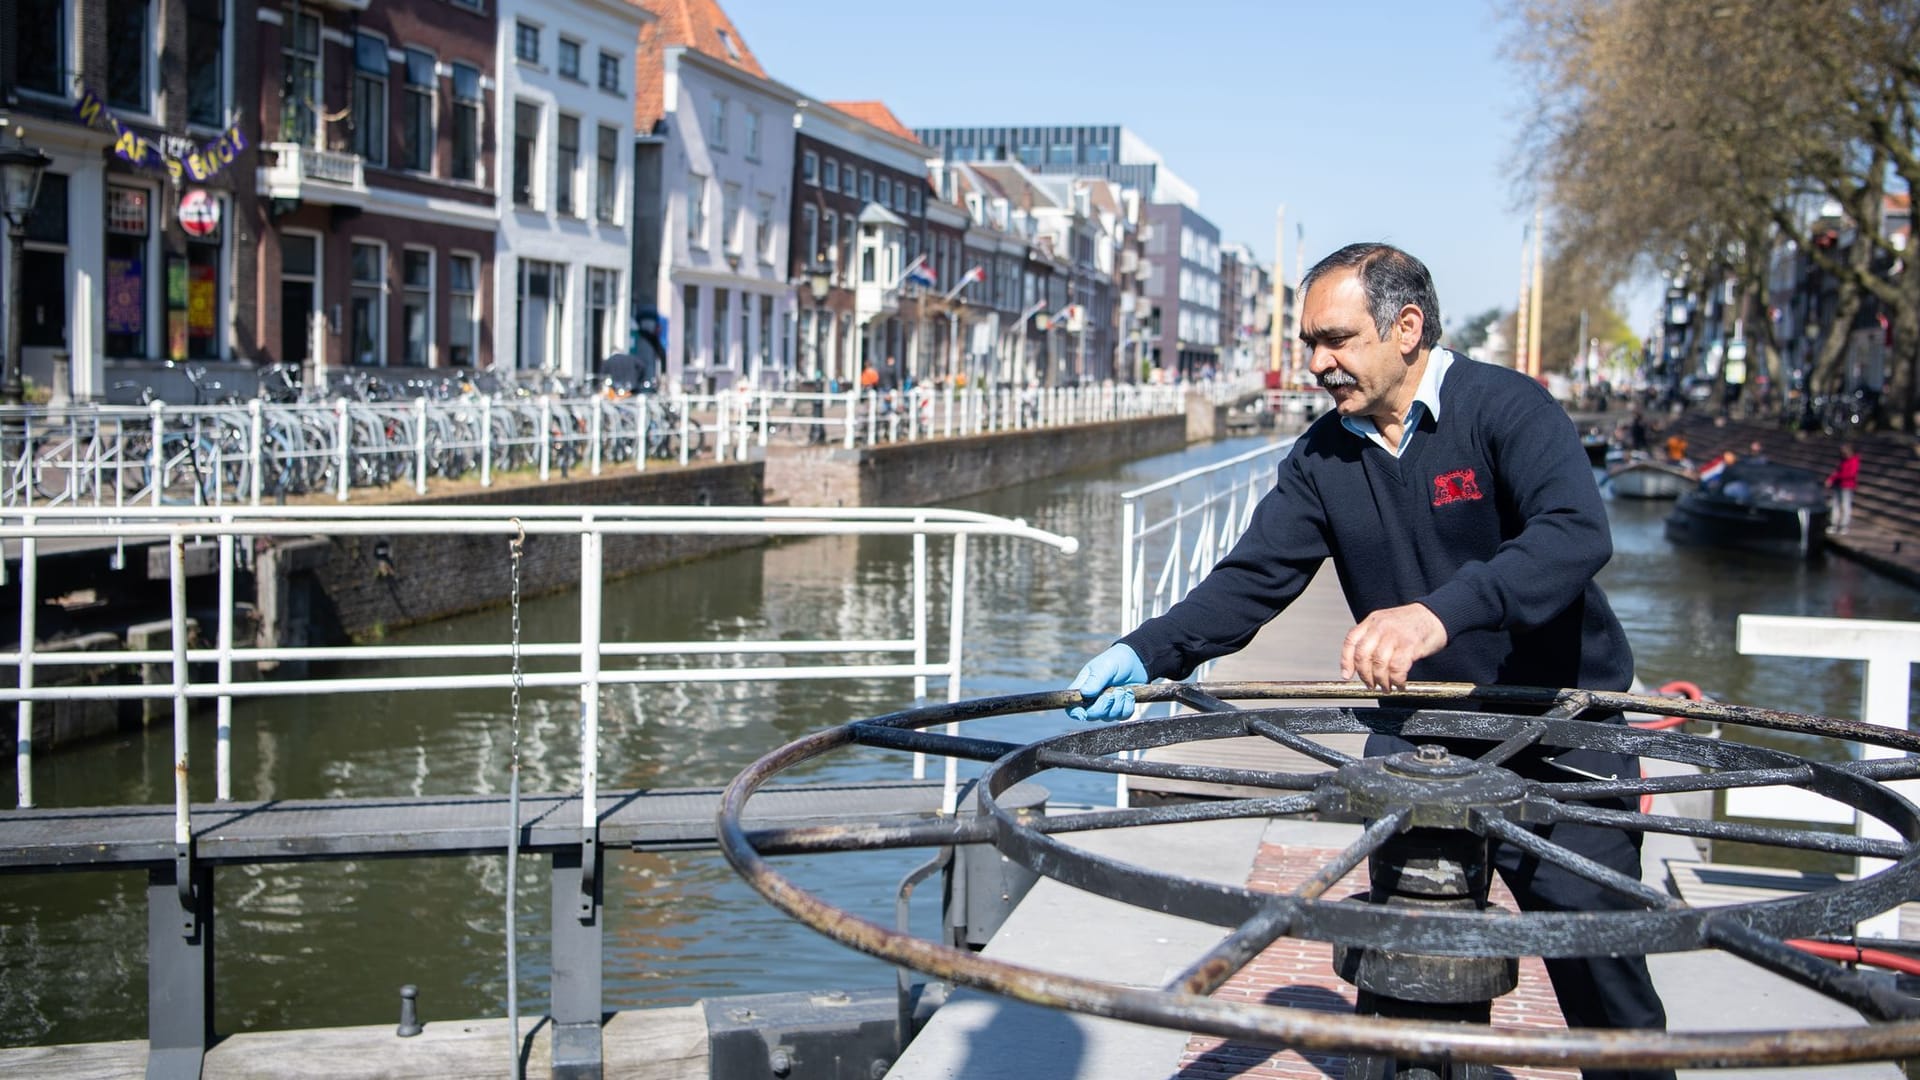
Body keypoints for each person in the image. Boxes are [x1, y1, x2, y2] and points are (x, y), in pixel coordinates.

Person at [1067, 243, 1670, 1080]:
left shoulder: (1506, 410)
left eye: (1337, 339)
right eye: (1311, 343)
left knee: (1605, 980)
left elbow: (1573, 534)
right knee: (1400, 961)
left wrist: (1436, 613)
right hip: (1424, 734)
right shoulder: (1322, 459)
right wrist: (1146, 652)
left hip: (1558, 730)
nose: (1318, 364)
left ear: (1408, 328)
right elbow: (1250, 583)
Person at [1825, 442, 1860, 534]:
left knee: (1845, 506)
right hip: (1838, 485)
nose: (1843, 455)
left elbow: (1851, 474)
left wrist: (1837, 477)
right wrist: (1831, 479)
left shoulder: (1854, 460)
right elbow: (1837, 471)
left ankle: (1843, 526)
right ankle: (1833, 524)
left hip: (1847, 487)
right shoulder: (1843, 461)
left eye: (1844, 453)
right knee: (1834, 505)